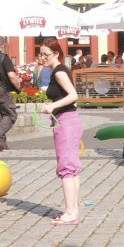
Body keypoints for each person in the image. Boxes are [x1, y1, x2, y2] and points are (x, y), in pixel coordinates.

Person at [39, 38, 82, 226]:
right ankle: (73, 208)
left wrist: (52, 106)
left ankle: (70, 211)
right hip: (68, 120)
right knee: (71, 167)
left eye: (45, 54)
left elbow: (73, 95)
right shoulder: (59, 70)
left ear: (56, 53)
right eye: (40, 54)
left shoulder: (59, 72)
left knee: (66, 168)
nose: (42, 57)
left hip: (66, 121)